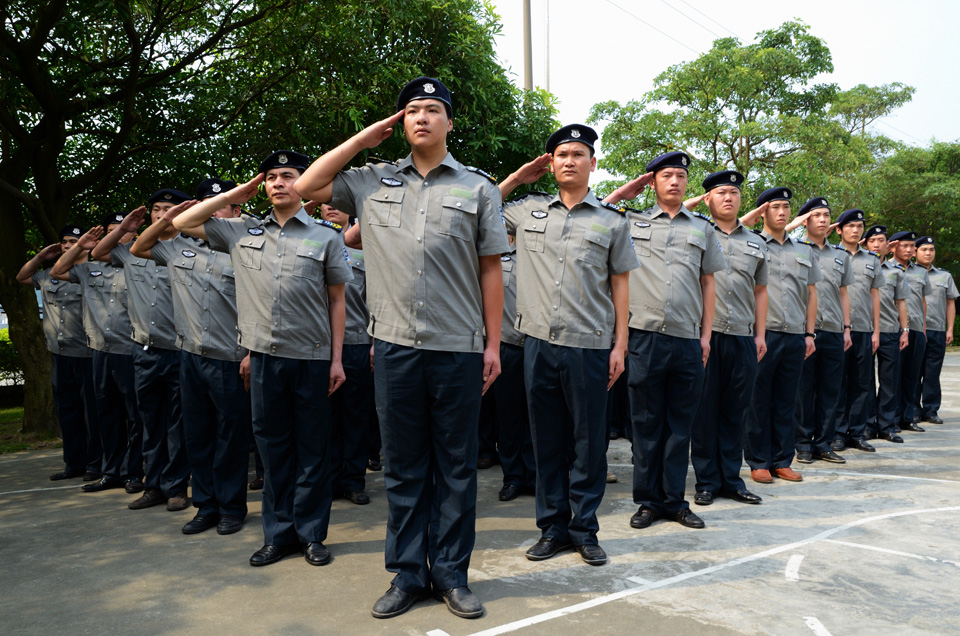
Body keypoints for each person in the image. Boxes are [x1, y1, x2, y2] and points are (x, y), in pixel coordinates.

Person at [293, 77, 508, 620]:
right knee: (404, 465)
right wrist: (363, 140)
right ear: (399, 123)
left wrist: (493, 345)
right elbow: (307, 187)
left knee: (456, 467)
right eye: (411, 110)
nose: (421, 118)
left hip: (459, 347)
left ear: (449, 123)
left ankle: (453, 576)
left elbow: (490, 270)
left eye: (432, 110)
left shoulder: (477, 188)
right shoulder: (370, 181)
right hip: (393, 348)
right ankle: (409, 574)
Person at [172, 150, 352, 568]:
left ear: (302, 183)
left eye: (287, 176)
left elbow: (337, 301)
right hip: (266, 359)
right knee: (273, 451)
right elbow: (181, 223)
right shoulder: (241, 232)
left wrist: (337, 359)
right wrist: (240, 191)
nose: (277, 184)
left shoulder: (325, 237)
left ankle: (311, 535)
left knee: (311, 450)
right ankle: (278, 534)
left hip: (312, 358)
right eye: (270, 177)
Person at [498, 124, 637, 564]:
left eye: (578, 154)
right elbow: (479, 207)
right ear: (550, 163)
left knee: (588, 443)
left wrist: (620, 345)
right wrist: (520, 177)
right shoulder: (527, 212)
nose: (569, 160)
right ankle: (552, 528)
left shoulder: (612, 222)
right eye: (561, 154)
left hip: (590, 346)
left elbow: (620, 285)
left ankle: (585, 529)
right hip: (537, 343)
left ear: (593, 164)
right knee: (547, 441)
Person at [604, 151, 725, 530]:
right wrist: (624, 193)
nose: (674, 182)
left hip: (687, 340)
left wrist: (706, 336)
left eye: (680, 176)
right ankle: (648, 501)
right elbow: (595, 210)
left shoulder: (702, 229)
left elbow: (709, 283)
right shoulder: (630, 221)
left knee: (680, 425)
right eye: (666, 175)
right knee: (645, 423)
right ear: (652, 182)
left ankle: (674, 500)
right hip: (644, 338)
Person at [131, 179, 251, 535]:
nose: (212, 212)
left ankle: (231, 507)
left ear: (235, 211)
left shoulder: (244, 248)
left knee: (230, 438)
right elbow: (139, 246)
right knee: (196, 435)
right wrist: (171, 217)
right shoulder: (175, 248)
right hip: (190, 357)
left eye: (220, 205)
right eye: (206, 204)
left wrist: (250, 352)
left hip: (230, 356)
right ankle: (206, 505)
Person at [92, 191, 191, 512]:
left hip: (178, 351)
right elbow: (98, 251)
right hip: (144, 352)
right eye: (156, 210)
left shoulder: (188, 249)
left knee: (177, 424)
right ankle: (154, 486)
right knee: (149, 422)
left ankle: (176, 487)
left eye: (168, 210)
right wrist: (123, 228)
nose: (161, 215)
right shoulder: (132, 251)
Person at [50, 215, 145, 494]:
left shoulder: (139, 263)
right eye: (111, 233)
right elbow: (57, 270)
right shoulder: (89, 269)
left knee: (135, 416)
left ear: (134, 235)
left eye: (123, 233)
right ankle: (112, 471)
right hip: (100, 353)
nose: (115, 238)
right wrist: (80, 245)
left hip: (130, 351)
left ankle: (135, 471)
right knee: (107, 415)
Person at [688, 170, 766, 507]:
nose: (728, 198)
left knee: (737, 411)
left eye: (733, 192)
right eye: (720, 192)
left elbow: (761, 291)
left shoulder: (756, 242)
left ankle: (731, 479)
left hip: (743, 337)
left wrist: (760, 335)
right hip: (706, 336)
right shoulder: (696, 232)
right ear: (707, 199)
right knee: (705, 412)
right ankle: (706, 480)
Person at [743, 187, 821, 484]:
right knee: (758, 399)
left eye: (786, 207)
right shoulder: (751, 243)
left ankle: (781, 460)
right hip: (761, 334)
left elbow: (811, 294)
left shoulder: (803, 250)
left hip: (794, 335)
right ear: (763, 211)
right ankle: (758, 460)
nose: (782, 212)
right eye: (775, 207)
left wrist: (810, 333)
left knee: (787, 399)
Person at [17, 225, 100, 481]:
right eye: (64, 241)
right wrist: (41, 257)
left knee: (92, 415)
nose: (66, 245)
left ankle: (95, 465)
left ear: (86, 244)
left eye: (73, 241)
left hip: (87, 354)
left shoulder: (93, 273)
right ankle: (73, 464)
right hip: (60, 355)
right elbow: (21, 277)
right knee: (68, 413)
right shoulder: (48, 276)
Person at [791, 198, 853, 465]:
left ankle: (824, 443)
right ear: (805, 220)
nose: (823, 219)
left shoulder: (840, 255)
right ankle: (803, 443)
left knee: (830, 390)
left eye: (827, 215)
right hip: (804, 330)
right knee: (803, 390)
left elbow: (844, 294)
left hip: (833, 331)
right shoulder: (794, 249)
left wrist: (847, 328)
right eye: (817, 215)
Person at [319, 203, 373, 506]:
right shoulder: (311, 245)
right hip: (318, 346)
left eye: (338, 204)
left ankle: (353, 479)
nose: (331, 208)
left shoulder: (364, 255)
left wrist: (374, 341)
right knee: (323, 418)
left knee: (355, 415)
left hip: (356, 343)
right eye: (326, 203)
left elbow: (376, 299)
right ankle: (326, 479)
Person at [832, 210, 883, 453]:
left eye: (859, 226)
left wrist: (876, 331)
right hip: (837, 329)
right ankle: (838, 433)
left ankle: (857, 432)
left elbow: (875, 296)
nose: (855, 230)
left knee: (862, 384)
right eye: (850, 226)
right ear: (839, 230)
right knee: (838, 383)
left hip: (864, 329)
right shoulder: (831, 255)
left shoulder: (872, 260)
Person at [491, 242, 536, 501]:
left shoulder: (543, 257)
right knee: (508, 416)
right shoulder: (499, 257)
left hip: (537, 344)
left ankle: (534, 475)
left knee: (537, 415)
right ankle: (512, 477)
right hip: (506, 345)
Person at [863, 225, 909, 443]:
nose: (876, 244)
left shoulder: (896, 273)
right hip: (865, 331)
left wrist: (905, 330)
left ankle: (887, 425)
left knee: (889, 381)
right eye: (872, 240)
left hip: (890, 331)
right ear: (865, 243)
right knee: (866, 381)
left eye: (880, 240)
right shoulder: (859, 266)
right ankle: (869, 424)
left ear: (887, 245)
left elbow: (901, 303)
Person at [888, 230, 933, 433]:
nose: (908, 249)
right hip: (893, 330)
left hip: (916, 330)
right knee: (893, 378)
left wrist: (923, 329)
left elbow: (922, 302)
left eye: (911, 246)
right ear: (894, 246)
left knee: (912, 377)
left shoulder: (921, 272)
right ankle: (892, 419)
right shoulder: (885, 268)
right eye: (903, 245)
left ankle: (908, 417)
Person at [915, 236, 958, 424]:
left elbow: (950, 303)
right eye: (924, 249)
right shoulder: (907, 273)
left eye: (931, 250)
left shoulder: (944, 276)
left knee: (932, 372)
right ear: (915, 252)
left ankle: (931, 410)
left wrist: (950, 329)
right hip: (915, 330)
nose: (928, 253)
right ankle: (913, 410)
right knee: (913, 372)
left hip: (937, 331)